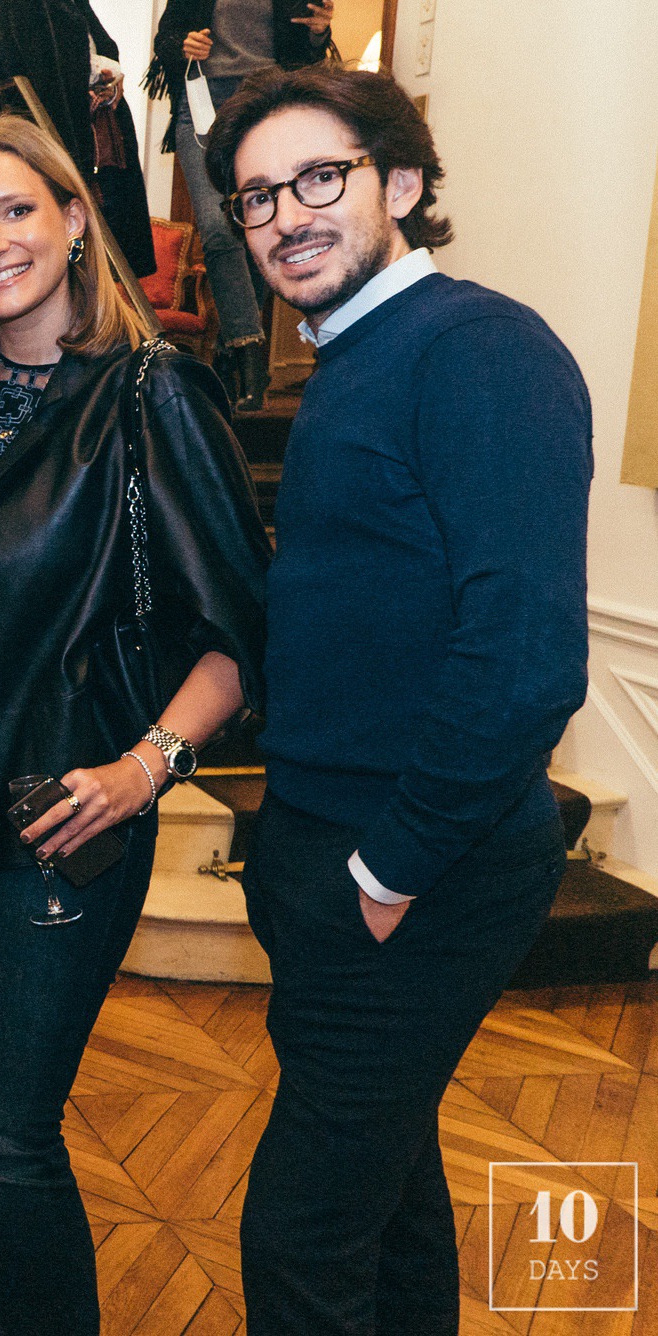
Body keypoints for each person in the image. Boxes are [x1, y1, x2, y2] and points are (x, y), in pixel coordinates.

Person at [202, 66, 593, 1333]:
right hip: (330, 846)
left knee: (301, 1233)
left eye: (318, 177)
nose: (284, 215)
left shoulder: (476, 349)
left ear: (404, 184)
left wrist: (387, 869)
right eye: (256, 196)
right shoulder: (354, 356)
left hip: (422, 866)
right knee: (390, 1201)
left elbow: (523, 655)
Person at [0, 113, 269, 1334]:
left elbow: (237, 631)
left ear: (71, 219)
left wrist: (142, 768)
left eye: (15, 210)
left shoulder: (148, 392)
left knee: (4, 1130)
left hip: (61, 820)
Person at [144, 0, 334, 407]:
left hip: (266, 104)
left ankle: (229, 357)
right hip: (203, 101)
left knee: (261, 229)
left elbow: (305, 51)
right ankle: (251, 356)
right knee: (219, 229)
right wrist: (184, 44)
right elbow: (167, 39)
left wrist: (319, 32)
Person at [0, 0, 157, 277]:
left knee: (98, 267)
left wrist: (110, 85)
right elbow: (41, 86)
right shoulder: (23, 6)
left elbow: (98, 55)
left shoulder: (75, 4)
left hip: (99, 149)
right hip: (58, 154)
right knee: (69, 263)